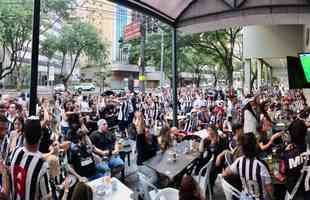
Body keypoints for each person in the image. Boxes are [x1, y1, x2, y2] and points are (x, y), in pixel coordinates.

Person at [10, 117, 52, 200]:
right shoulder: (42, 165)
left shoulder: (15, 151)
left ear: (24, 135)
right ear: (41, 136)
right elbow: (47, 197)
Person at [223, 132, 273, 200]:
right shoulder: (261, 165)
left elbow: (225, 173)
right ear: (255, 146)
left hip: (245, 197)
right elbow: (269, 189)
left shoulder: (239, 161)